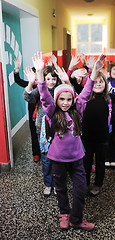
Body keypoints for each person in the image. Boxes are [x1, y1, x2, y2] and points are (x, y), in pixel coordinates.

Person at [32, 52, 107, 231]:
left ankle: (76, 219)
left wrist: (94, 73)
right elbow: (44, 96)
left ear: (74, 100)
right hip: (57, 158)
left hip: (77, 159)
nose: (65, 103)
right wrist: (40, 75)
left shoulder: (77, 109)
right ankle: (64, 214)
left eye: (69, 99)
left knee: (80, 189)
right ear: (56, 100)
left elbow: (87, 92)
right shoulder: (52, 112)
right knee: (61, 189)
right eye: (62, 99)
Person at [82, 67, 115, 196]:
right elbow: (74, 85)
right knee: (86, 164)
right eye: (95, 82)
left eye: (101, 82)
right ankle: (85, 184)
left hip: (102, 139)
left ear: (105, 84)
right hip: (86, 138)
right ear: (90, 84)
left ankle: (98, 184)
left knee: (100, 163)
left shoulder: (108, 98)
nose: (98, 84)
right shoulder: (85, 97)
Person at [23, 65, 61, 197]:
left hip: (57, 130)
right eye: (48, 79)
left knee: (57, 159)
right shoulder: (40, 90)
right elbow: (27, 97)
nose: (51, 82)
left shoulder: (59, 91)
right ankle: (48, 184)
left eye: (54, 79)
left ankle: (56, 184)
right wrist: (30, 82)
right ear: (43, 79)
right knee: (45, 159)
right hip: (42, 130)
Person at [13, 59, 40, 162]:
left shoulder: (45, 85)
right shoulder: (30, 85)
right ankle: (36, 153)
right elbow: (18, 80)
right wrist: (16, 69)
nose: (36, 77)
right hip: (33, 113)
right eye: (34, 75)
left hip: (43, 113)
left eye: (38, 74)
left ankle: (45, 152)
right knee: (33, 132)